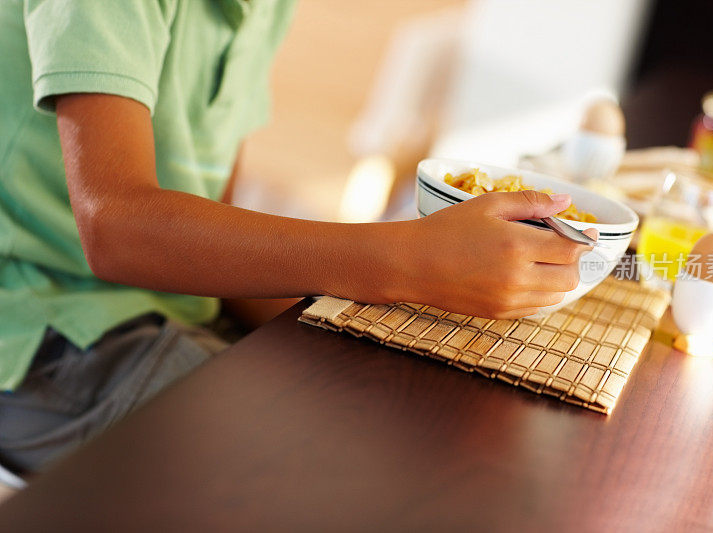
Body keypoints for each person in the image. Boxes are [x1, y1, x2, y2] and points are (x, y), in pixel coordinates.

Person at [0, 0, 593, 475]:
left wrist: (370, 321)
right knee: (322, 470)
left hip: (169, 304)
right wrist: (410, 259)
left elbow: (212, 222)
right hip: (40, 324)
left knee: (402, 426)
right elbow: (118, 227)